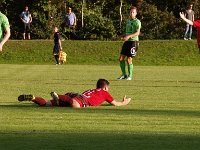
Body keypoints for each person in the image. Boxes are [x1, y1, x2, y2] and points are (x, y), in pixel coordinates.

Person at [18, 79, 131, 108]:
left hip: (76, 94)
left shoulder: (91, 90)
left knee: (46, 104)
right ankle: (59, 97)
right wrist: (124, 102)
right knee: (74, 104)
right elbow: (115, 104)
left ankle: (33, 98)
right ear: (105, 87)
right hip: (80, 99)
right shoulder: (105, 93)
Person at [117, 6, 141, 80]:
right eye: (130, 12)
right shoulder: (128, 21)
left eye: (133, 12)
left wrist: (129, 36)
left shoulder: (137, 22)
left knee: (129, 59)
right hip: (127, 42)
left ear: (136, 13)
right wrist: (121, 36)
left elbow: (137, 33)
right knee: (121, 58)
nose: (131, 13)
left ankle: (130, 76)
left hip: (133, 42)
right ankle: (124, 75)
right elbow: (127, 33)